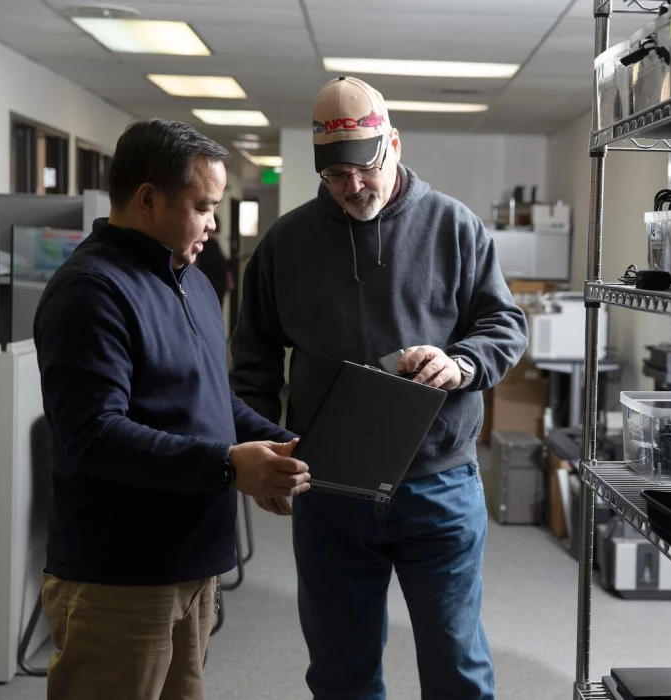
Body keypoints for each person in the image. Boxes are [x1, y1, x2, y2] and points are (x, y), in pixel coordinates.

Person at [229, 76, 528, 700]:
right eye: (335, 177)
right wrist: (263, 448)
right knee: (342, 671)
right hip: (329, 488)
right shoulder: (285, 243)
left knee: (457, 665)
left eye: (365, 169)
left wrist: (463, 363)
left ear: (393, 142)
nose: (352, 188)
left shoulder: (455, 226)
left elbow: (505, 324)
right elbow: (252, 358)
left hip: (438, 485)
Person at [33, 118, 312, 700]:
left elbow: (212, 398)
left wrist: (283, 443)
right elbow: (95, 434)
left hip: (193, 563)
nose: (213, 223)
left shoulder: (192, 281)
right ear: (148, 198)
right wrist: (231, 467)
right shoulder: (92, 290)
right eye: (203, 206)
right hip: (121, 576)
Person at [194, 214, 230, 309]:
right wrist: (229, 263)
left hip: (213, 284)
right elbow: (215, 263)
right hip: (212, 284)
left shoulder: (212, 241)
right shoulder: (209, 243)